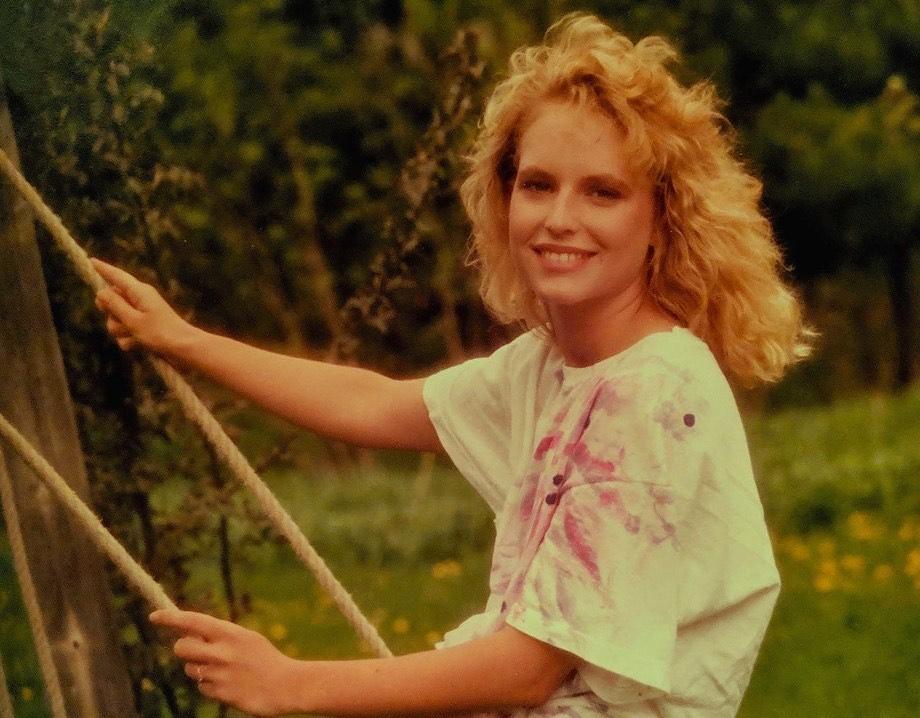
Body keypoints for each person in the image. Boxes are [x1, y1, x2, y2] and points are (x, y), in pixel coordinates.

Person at [93, 12, 811, 717]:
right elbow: (373, 404)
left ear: (662, 220)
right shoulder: (549, 367)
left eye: (603, 191)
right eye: (537, 184)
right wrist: (182, 339)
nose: (560, 217)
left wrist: (291, 685)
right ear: (504, 198)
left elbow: (528, 672)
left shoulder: (654, 394)